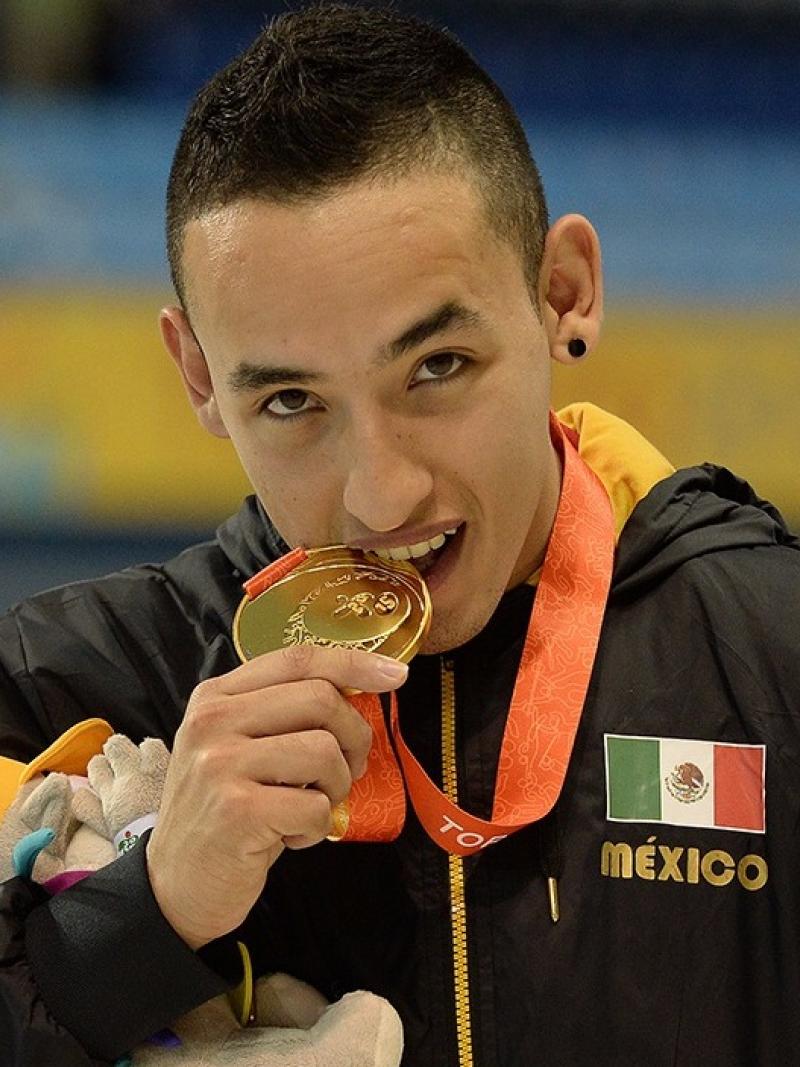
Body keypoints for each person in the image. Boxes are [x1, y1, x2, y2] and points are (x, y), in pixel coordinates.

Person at [1, 4, 799, 1065]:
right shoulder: (68, 689)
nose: (380, 495)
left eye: (436, 368)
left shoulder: (772, 658)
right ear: (198, 374)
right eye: (290, 400)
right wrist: (144, 910)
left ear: (561, 293)